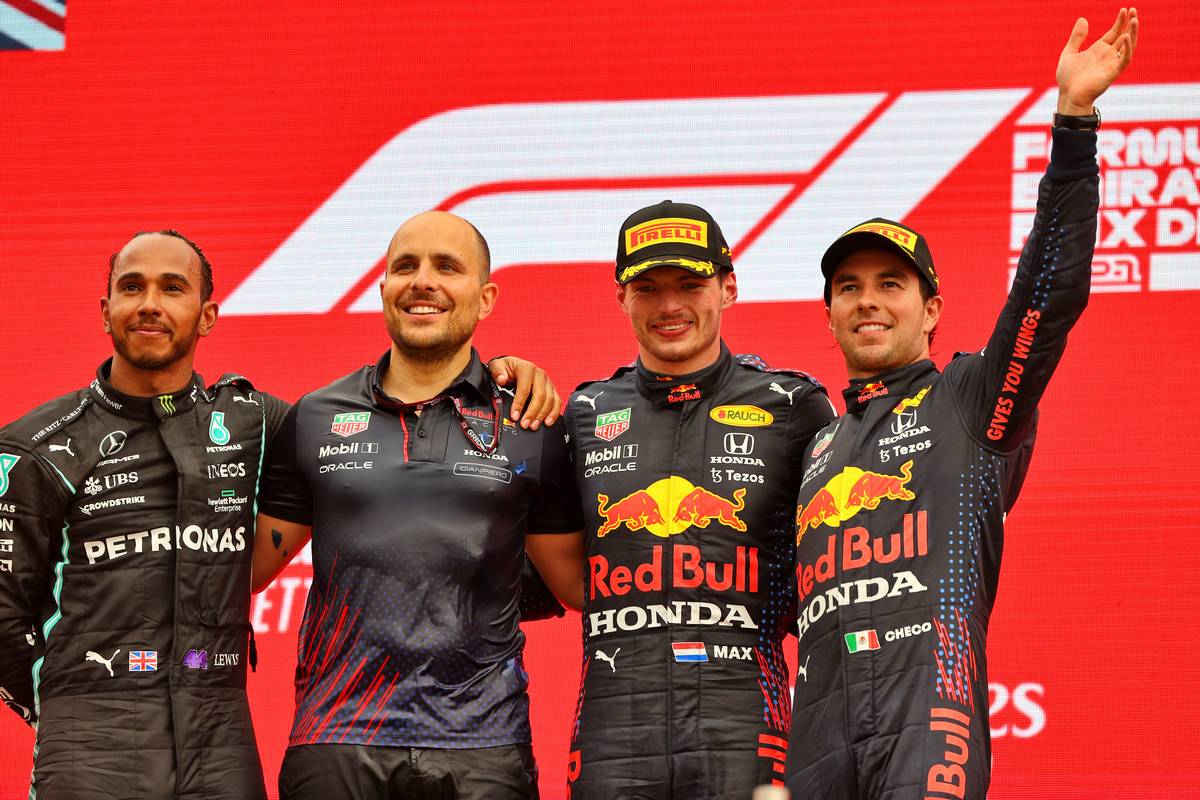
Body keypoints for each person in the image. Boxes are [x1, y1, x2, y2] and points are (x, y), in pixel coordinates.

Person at [784, 9, 1138, 798]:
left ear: (932, 309)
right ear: (830, 312)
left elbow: (1047, 296)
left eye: (890, 285)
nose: (868, 302)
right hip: (816, 743)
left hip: (928, 720)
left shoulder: (970, 401)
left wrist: (1074, 124)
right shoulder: (813, 446)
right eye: (849, 288)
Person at [252, 210, 582, 800]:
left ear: (485, 299)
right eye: (405, 266)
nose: (422, 281)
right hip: (337, 736)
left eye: (446, 267)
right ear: (382, 290)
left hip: (484, 743)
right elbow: (246, 570)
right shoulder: (314, 417)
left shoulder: (532, 422)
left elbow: (580, 587)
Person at [556, 201, 837, 798]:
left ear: (728, 287)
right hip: (612, 730)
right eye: (647, 288)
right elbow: (557, 571)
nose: (670, 306)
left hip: (747, 723)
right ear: (621, 298)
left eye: (691, 283)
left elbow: (834, 564)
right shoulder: (584, 413)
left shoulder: (794, 406)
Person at [0, 230, 288, 798]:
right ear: (107, 311)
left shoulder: (255, 421)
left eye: (172, 288)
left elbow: (371, 415)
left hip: (222, 737)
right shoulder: (35, 445)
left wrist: (499, 376)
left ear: (206, 317)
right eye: (132, 287)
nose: (149, 302)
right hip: (90, 743)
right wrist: (68, 705)